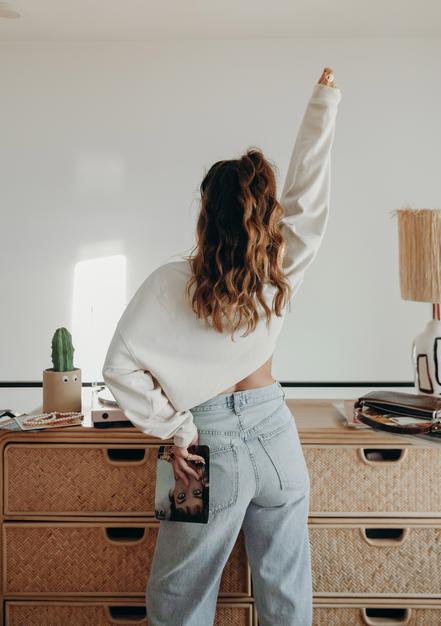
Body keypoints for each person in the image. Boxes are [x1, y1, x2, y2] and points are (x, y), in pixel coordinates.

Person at [102, 67, 342, 626]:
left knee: (177, 599)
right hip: (277, 437)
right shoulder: (277, 273)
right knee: (287, 600)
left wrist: (178, 429)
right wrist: (323, 103)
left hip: (206, 449)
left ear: (206, 217)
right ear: (264, 217)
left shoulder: (169, 283)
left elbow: (117, 368)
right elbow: (310, 199)